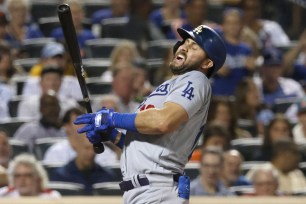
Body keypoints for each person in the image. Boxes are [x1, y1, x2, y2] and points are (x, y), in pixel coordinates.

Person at [74, 24, 227, 203]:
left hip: (158, 190)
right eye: (185, 42)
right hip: (149, 190)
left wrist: (112, 118)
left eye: (194, 47)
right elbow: (152, 150)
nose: (184, 46)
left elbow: (163, 121)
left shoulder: (197, 79)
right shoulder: (167, 87)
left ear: (207, 63)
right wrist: (113, 136)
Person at [50, 125, 116, 195]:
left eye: (94, 148)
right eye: (86, 148)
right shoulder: (60, 177)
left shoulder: (107, 176)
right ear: (75, 147)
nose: (91, 152)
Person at [43, 108, 119, 167]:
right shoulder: (55, 152)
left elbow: (111, 174)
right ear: (66, 127)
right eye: (78, 122)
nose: (83, 126)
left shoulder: (101, 150)